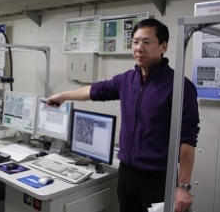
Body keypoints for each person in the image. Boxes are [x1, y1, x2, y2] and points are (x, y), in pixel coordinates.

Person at [47, 18, 200, 212]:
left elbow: (187, 139)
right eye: (135, 42)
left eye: (146, 42)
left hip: (158, 178)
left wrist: (183, 186)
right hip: (127, 174)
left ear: (163, 46)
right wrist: (63, 96)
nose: (138, 48)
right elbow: (94, 91)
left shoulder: (179, 86)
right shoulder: (127, 79)